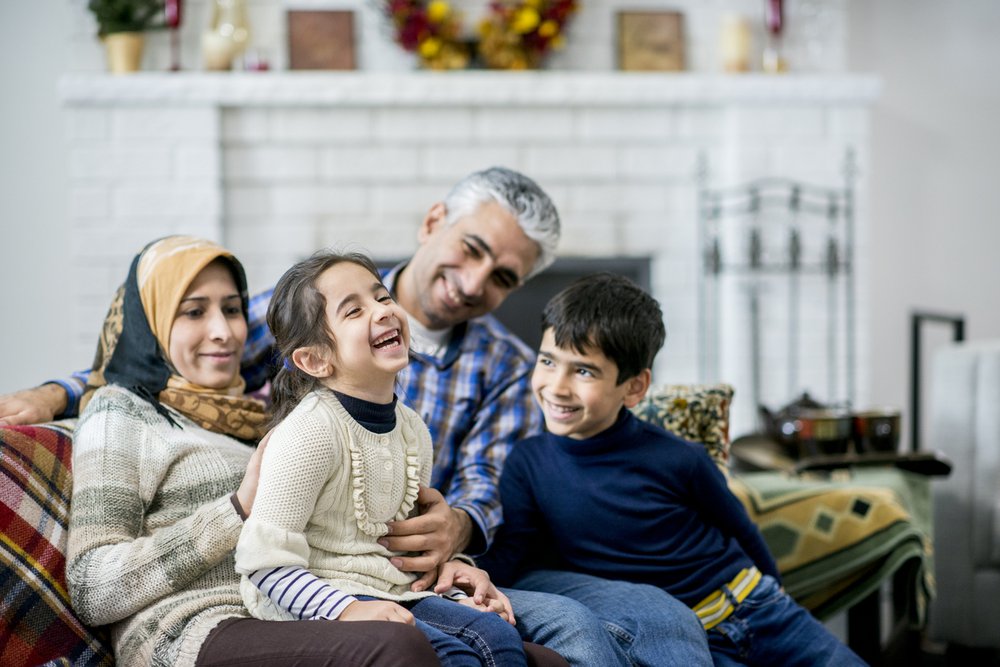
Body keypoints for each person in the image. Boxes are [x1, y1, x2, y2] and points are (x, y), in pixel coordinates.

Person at [7, 167, 711, 665]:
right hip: (295, 591)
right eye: (471, 250)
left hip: (407, 569)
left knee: (647, 619)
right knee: (568, 633)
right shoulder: (308, 331)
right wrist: (52, 394)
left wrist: (458, 533)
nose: (473, 283)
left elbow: (483, 483)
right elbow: (156, 353)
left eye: (503, 278)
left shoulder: (493, 369)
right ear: (434, 222)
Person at [66, 236, 440, 667]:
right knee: (396, 646)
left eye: (231, 309)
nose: (223, 331)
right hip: (192, 627)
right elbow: (93, 587)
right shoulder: (122, 411)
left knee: (513, 649)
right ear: (151, 322)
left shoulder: (265, 412)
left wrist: (448, 565)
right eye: (193, 312)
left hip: (293, 608)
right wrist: (236, 509)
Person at [479, 273, 867, 667]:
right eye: (547, 361)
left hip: (759, 608)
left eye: (584, 372)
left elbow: (741, 529)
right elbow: (516, 553)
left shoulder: (678, 457)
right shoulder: (527, 464)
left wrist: (774, 593)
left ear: (634, 388)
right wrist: (463, 573)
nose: (557, 386)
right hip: (688, 638)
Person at [234, 250, 564, 666]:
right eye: (354, 311)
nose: (382, 311)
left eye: (383, 297)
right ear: (316, 359)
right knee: (447, 654)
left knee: (496, 636)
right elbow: (263, 565)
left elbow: (405, 552)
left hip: (391, 590)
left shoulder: (412, 430)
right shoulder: (310, 433)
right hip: (315, 596)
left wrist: (459, 587)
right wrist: (348, 609)